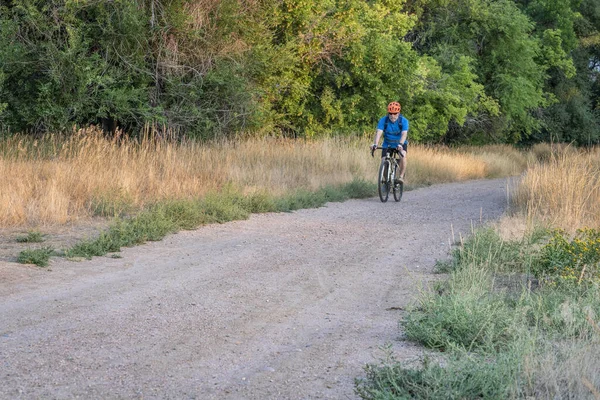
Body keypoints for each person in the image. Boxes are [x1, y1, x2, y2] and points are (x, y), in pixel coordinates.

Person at [370, 101, 409, 183]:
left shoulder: (404, 121)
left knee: (403, 156)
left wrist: (401, 144)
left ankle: (401, 177)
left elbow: (404, 134)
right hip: (387, 143)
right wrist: (375, 144)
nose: (392, 115)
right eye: (390, 113)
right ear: (388, 113)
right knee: (384, 160)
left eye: (395, 113)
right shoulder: (383, 120)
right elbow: (379, 132)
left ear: (398, 113)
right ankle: (385, 181)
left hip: (400, 143)